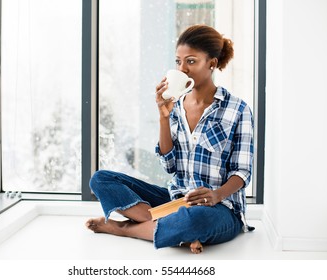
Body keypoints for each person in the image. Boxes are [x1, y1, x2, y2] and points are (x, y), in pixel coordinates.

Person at [85, 24, 254, 254]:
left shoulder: (238, 109)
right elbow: (169, 165)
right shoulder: (175, 105)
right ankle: (163, 225)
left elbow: (242, 172)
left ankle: (127, 229)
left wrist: (216, 195)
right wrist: (163, 117)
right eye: (178, 61)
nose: (182, 69)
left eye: (191, 61)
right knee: (101, 179)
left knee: (197, 220)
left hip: (220, 208)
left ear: (212, 63)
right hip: (176, 199)